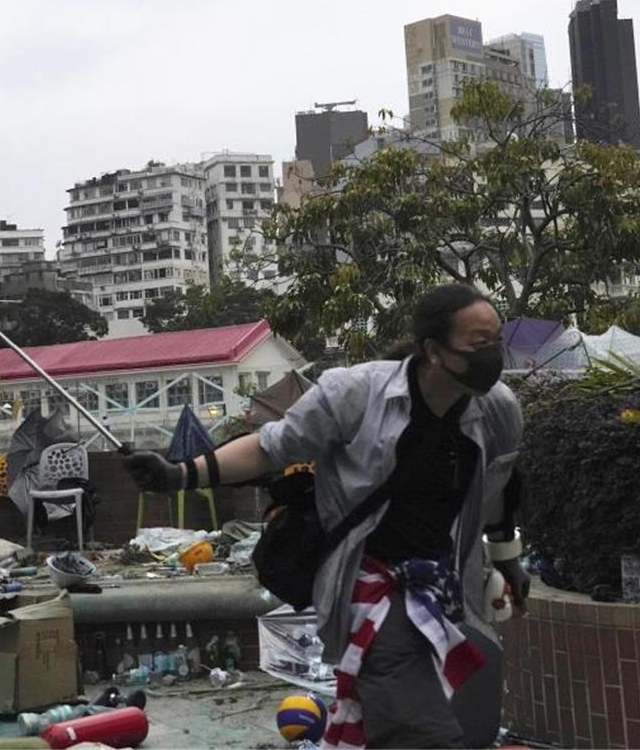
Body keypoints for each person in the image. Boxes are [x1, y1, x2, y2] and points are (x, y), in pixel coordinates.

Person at [123, 284, 528, 749]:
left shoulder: (497, 411)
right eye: (479, 345)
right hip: (369, 584)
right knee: (421, 730)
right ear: (434, 351)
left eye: (497, 340)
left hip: (442, 584)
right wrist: (178, 475)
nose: (493, 355)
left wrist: (507, 559)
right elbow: (268, 448)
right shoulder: (356, 394)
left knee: (398, 713)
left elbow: (499, 488)